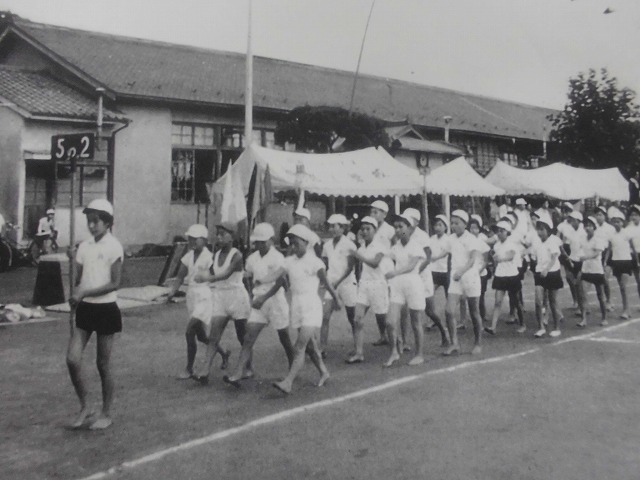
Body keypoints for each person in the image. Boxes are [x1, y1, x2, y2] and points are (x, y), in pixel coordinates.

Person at [66, 199, 123, 430]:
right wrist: (72, 261)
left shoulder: (114, 246)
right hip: (85, 308)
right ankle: (85, 405)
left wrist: (85, 292)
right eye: (89, 221)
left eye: (96, 221)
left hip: (106, 309)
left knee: (103, 364)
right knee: (72, 358)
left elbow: (115, 283)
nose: (91, 225)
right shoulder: (84, 246)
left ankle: (106, 413)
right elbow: (78, 277)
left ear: (107, 222)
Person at [222, 223, 294, 387]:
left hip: (276, 301)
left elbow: (281, 282)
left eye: (263, 241)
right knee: (248, 338)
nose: (259, 244)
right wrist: (252, 294)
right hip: (258, 302)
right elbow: (248, 276)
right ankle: (239, 372)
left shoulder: (278, 258)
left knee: (284, 338)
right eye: (257, 242)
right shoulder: (253, 258)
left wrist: (265, 297)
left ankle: (292, 369)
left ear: (271, 240)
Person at [272, 224, 341, 394]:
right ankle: (324, 372)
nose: (293, 247)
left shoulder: (315, 262)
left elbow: (326, 283)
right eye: (291, 244)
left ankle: (288, 382)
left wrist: (337, 299)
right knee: (310, 346)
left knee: (300, 346)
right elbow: (275, 275)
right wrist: (258, 279)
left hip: (311, 306)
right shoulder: (289, 261)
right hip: (296, 305)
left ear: (307, 242)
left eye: (296, 243)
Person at [166, 224, 230, 380]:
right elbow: (180, 276)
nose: (192, 241)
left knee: (189, 332)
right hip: (192, 297)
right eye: (190, 238)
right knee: (201, 336)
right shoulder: (188, 256)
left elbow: (217, 276)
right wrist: (172, 292)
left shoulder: (209, 257)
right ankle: (224, 353)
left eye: (195, 239)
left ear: (204, 240)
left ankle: (189, 369)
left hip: (205, 297)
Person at [194, 222, 251, 384]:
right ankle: (205, 370)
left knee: (242, 336)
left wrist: (206, 278)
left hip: (237, 297)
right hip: (220, 297)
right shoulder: (216, 254)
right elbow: (212, 272)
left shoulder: (237, 255)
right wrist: (199, 274)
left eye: (223, 234)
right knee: (214, 335)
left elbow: (225, 275)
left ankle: (248, 367)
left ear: (232, 236)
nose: (219, 237)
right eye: (217, 234)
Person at [383, 212, 427, 366]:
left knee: (416, 321)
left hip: (413, 285)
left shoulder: (415, 246)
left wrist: (394, 272)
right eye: (395, 227)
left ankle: (419, 354)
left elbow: (411, 266)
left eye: (401, 226)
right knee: (389, 322)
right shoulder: (395, 247)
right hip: (398, 286)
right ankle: (394, 352)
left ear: (409, 228)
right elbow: (386, 260)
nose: (397, 229)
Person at [403, 208, 449, 347]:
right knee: (405, 309)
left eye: (409, 220)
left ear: (416, 222)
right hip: (407, 276)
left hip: (422, 277)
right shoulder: (402, 234)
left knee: (429, 311)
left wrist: (416, 272)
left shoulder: (422, 236)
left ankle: (444, 331)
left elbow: (428, 258)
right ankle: (404, 342)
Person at [346, 216, 390, 363]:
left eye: (368, 229)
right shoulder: (362, 247)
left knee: (384, 319)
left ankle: (396, 343)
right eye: (362, 229)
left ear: (375, 230)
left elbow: (375, 263)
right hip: (364, 285)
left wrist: (358, 255)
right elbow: (360, 266)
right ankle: (359, 352)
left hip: (378, 284)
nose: (364, 232)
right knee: (357, 319)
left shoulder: (381, 245)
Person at [443, 210, 484, 356]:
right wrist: (430, 259)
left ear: (465, 224)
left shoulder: (472, 239)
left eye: (457, 223)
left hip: (470, 277)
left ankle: (478, 343)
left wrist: (461, 271)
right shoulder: (450, 238)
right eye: (452, 223)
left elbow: (472, 260)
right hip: (456, 279)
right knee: (448, 310)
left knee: (474, 312)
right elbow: (444, 253)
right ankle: (454, 343)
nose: (453, 226)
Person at [320, 214, 357, 356]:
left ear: (342, 228)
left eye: (334, 226)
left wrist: (337, 282)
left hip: (347, 283)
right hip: (331, 283)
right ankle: (322, 348)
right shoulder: (327, 245)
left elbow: (350, 268)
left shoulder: (350, 244)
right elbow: (324, 263)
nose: (332, 229)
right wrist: (327, 281)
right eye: (330, 226)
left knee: (352, 317)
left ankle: (357, 346)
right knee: (325, 316)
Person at [486, 220, 524, 334]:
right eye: (498, 231)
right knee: (497, 301)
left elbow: (511, 256)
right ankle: (493, 327)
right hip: (500, 275)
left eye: (502, 231)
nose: (499, 233)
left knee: (516, 302)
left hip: (512, 275)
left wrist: (500, 259)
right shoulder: (497, 245)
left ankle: (523, 324)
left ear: (507, 232)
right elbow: (495, 259)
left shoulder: (512, 244)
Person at [531, 217, 564, 338]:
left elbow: (554, 257)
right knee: (538, 301)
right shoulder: (537, 242)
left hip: (552, 273)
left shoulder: (552, 241)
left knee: (552, 301)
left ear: (548, 230)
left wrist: (547, 269)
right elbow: (534, 256)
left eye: (542, 229)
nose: (539, 232)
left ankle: (556, 327)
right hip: (540, 273)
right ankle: (541, 327)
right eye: (538, 230)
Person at [579, 216, 608, 327]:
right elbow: (580, 252)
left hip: (597, 270)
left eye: (590, 226)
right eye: (586, 226)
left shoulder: (598, 239)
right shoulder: (583, 239)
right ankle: (583, 319)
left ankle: (604, 317)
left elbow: (596, 253)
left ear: (594, 227)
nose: (587, 228)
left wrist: (586, 257)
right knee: (583, 295)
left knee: (600, 295)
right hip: (586, 270)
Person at [606, 207, 634, 320]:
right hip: (616, 262)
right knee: (621, 287)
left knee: (623, 286)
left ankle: (626, 310)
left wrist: (637, 261)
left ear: (622, 222)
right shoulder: (611, 235)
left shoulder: (627, 233)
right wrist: (605, 262)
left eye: (618, 221)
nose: (616, 224)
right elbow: (609, 249)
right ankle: (626, 309)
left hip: (626, 261)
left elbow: (632, 247)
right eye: (614, 222)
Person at [557, 202, 582, 310]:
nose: (565, 213)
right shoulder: (561, 225)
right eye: (563, 211)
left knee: (578, 279)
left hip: (576, 249)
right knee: (569, 277)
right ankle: (575, 300)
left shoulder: (576, 225)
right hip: (565, 249)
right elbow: (558, 237)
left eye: (567, 211)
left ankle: (581, 301)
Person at [468, 214, 492, 323]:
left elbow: (486, 261)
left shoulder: (482, 240)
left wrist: (479, 270)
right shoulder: (467, 241)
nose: (474, 231)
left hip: (481, 273)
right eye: (472, 228)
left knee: (480, 296)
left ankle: (482, 316)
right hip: (470, 272)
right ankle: (475, 318)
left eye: (476, 228)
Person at [593, 206, 616, 312]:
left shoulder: (610, 228)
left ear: (605, 216)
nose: (598, 217)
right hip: (597, 254)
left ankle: (609, 300)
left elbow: (611, 245)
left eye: (601, 215)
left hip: (607, 253)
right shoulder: (594, 227)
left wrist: (606, 260)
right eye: (597, 215)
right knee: (598, 280)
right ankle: (603, 300)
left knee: (605, 279)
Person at [625, 204, 640, 301]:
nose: (633, 217)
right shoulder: (628, 229)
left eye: (635, 214)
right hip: (634, 255)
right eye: (631, 215)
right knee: (638, 280)